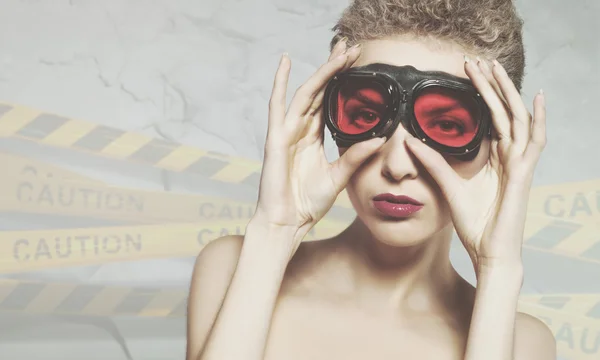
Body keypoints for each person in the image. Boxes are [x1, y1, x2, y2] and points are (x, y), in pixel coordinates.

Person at [186, 0, 556, 359]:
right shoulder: (235, 266)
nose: (397, 165)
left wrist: (499, 269)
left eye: (446, 125)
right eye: (366, 115)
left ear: (499, 141)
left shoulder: (522, 342)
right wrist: (274, 231)